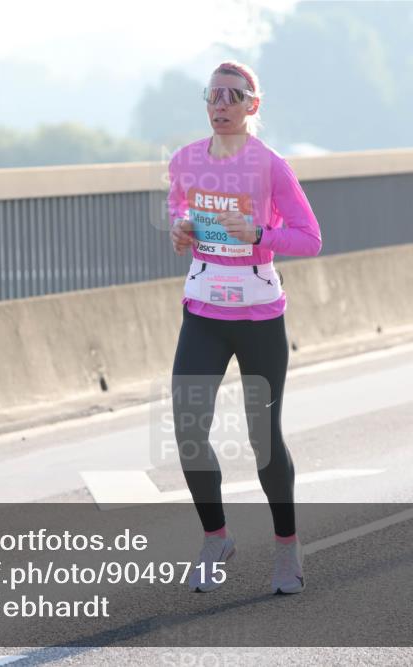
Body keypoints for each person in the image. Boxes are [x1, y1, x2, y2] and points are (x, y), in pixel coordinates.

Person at [166, 60, 322, 594]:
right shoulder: (185, 161)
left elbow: (310, 238)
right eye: (213, 96)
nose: (222, 105)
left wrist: (258, 231)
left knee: (263, 440)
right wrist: (180, 231)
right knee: (188, 432)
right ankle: (217, 538)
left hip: (258, 315)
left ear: (253, 105)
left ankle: (286, 548)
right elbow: (176, 211)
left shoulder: (270, 165)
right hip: (204, 312)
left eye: (234, 96)